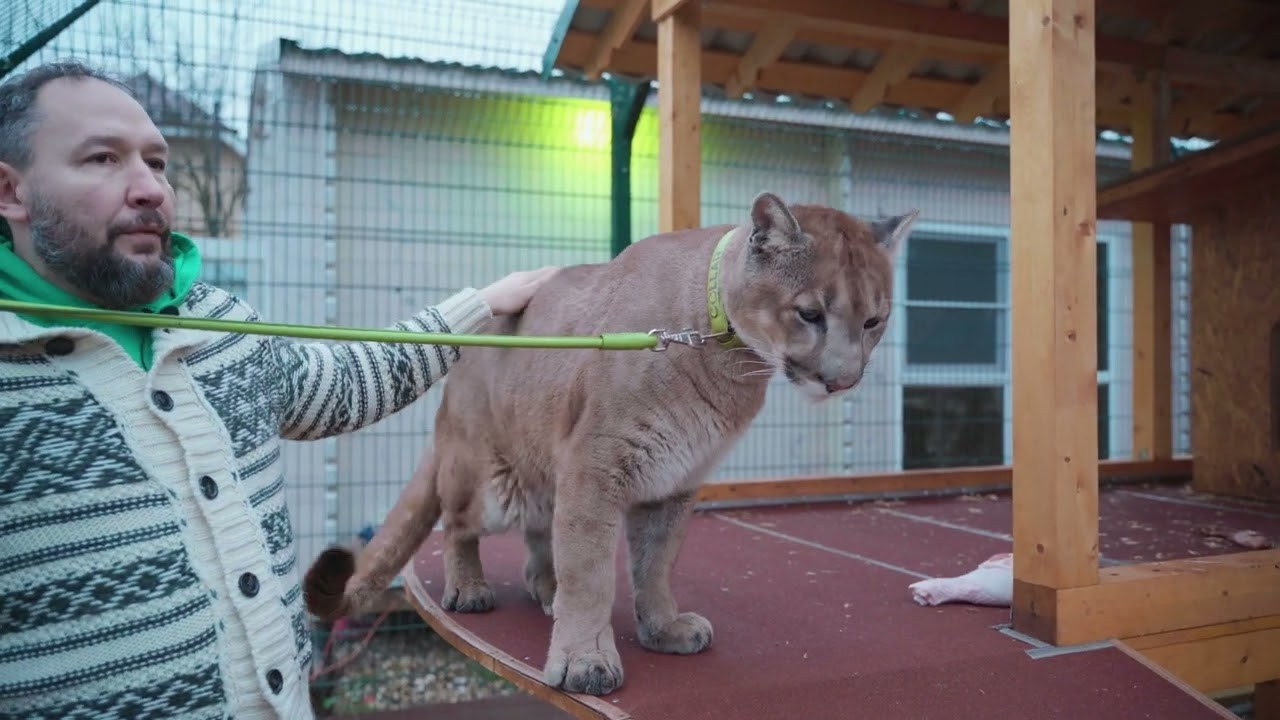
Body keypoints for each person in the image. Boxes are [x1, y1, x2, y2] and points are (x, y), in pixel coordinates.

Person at [0, 60, 558, 720]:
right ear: (11, 191)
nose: (150, 187)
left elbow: (345, 384)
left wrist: (484, 305)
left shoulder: (219, 325)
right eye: (102, 159)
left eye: (158, 161)